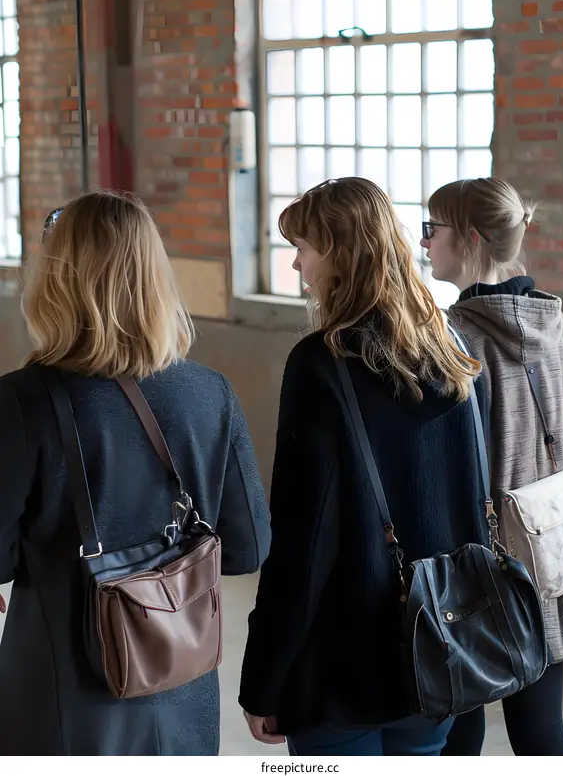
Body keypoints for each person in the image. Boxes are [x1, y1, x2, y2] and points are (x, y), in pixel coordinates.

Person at [0, 191, 271, 755]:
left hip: (62, 699)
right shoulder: (210, 392)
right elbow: (247, 548)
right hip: (183, 693)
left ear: (55, 277)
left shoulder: (21, 401)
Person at [238, 177, 493, 757]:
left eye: (304, 248)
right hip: (436, 650)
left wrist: (265, 677)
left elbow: (301, 542)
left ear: (341, 253)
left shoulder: (321, 363)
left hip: (343, 664)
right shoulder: (451, 348)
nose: (299, 266)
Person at [421, 176, 563, 756]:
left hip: (475, 565)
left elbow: (444, 466)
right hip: (550, 550)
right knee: (541, 732)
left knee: (459, 734)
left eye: (433, 229)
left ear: (470, 238)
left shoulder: (453, 336)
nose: (425, 243)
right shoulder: (557, 324)